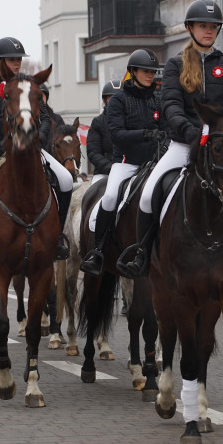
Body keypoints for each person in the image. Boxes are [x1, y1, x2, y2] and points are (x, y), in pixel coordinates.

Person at [119, 0, 223, 281]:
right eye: (203, 26)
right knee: (149, 194)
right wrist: (191, 134)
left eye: (213, 27)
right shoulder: (176, 65)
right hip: (183, 144)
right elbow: (171, 106)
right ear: (190, 28)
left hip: (221, 147)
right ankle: (142, 253)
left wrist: (221, 133)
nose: (209, 31)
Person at [0, 37, 74, 260]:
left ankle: (57, 235)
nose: (17, 63)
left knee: (66, 180)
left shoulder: (29, 86)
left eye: (19, 59)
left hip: (29, 149)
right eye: (12, 59)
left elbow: (44, 120)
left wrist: (36, 142)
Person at [81, 49, 165, 276]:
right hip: (126, 163)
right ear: (133, 72)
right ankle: (97, 252)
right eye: (145, 71)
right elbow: (117, 134)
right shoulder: (119, 100)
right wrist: (146, 134)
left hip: (154, 163)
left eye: (153, 71)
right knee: (109, 196)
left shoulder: (158, 99)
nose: (150, 75)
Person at [86, 80, 121, 185]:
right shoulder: (98, 122)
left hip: (127, 168)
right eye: (112, 99)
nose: (116, 102)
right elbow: (93, 152)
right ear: (105, 100)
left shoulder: (131, 120)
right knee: (107, 197)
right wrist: (110, 167)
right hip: (104, 172)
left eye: (119, 98)